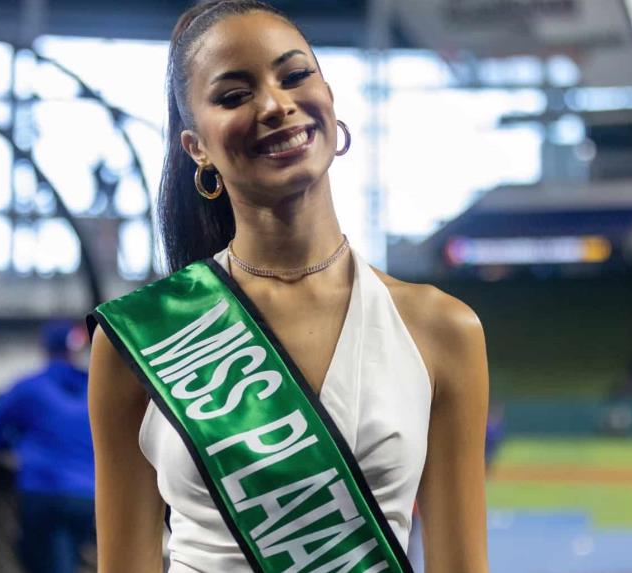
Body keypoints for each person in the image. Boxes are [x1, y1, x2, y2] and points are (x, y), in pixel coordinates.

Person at [87, 2, 490, 572]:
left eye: (295, 76)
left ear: (329, 96)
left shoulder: (443, 330)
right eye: (233, 96)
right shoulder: (144, 336)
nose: (276, 105)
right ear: (196, 147)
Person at [0, 320, 95, 573]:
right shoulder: (93, 388)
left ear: (45, 348)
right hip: (88, 496)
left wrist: (12, 444)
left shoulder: (29, 388)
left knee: (44, 563)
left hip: (43, 492)